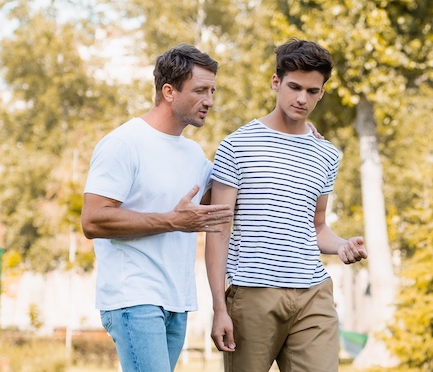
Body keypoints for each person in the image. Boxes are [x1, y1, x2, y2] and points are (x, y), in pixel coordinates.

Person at [205, 38, 368, 372]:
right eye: (294, 87)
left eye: (313, 91)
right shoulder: (237, 146)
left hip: (313, 294)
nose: (301, 99)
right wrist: (219, 306)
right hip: (252, 292)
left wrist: (342, 246)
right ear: (276, 82)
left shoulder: (326, 154)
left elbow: (317, 226)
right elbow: (219, 231)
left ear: (323, 91)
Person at [80, 43, 234, 372]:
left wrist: (299, 135)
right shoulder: (123, 143)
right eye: (201, 90)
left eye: (213, 91)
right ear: (169, 91)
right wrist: (171, 221)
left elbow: (230, 195)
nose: (209, 101)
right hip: (133, 296)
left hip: (176, 299)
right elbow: (93, 220)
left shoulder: (194, 155)